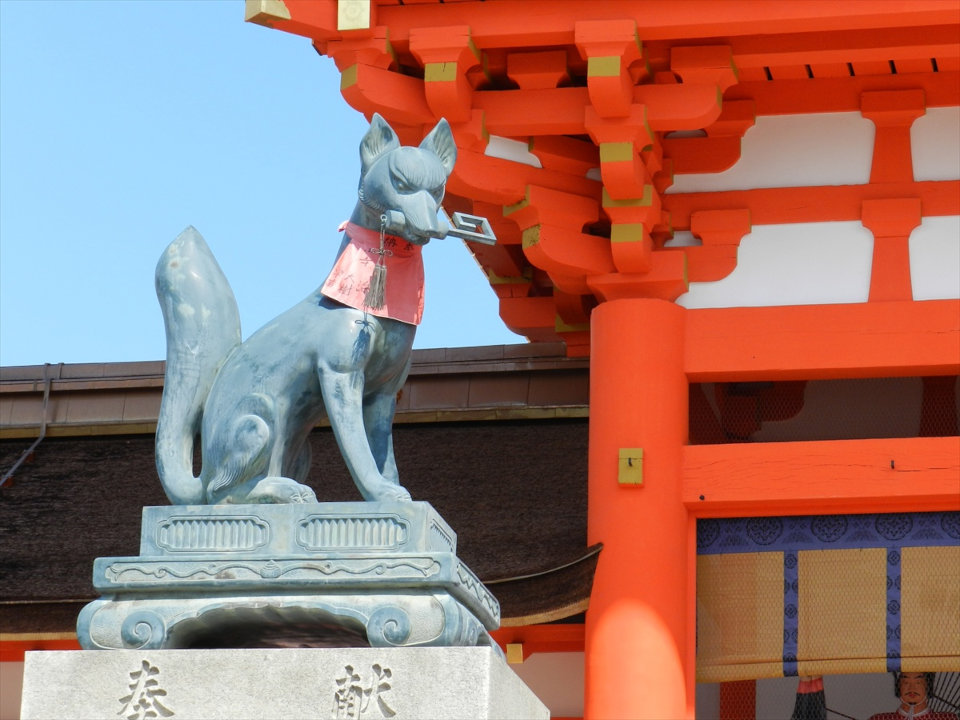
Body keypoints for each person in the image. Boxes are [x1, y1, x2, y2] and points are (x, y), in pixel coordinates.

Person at [868, 672, 959, 720]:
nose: (912, 688)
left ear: (928, 686)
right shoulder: (880, 719)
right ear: (898, 686)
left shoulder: (947, 718)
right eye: (906, 682)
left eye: (918, 683)